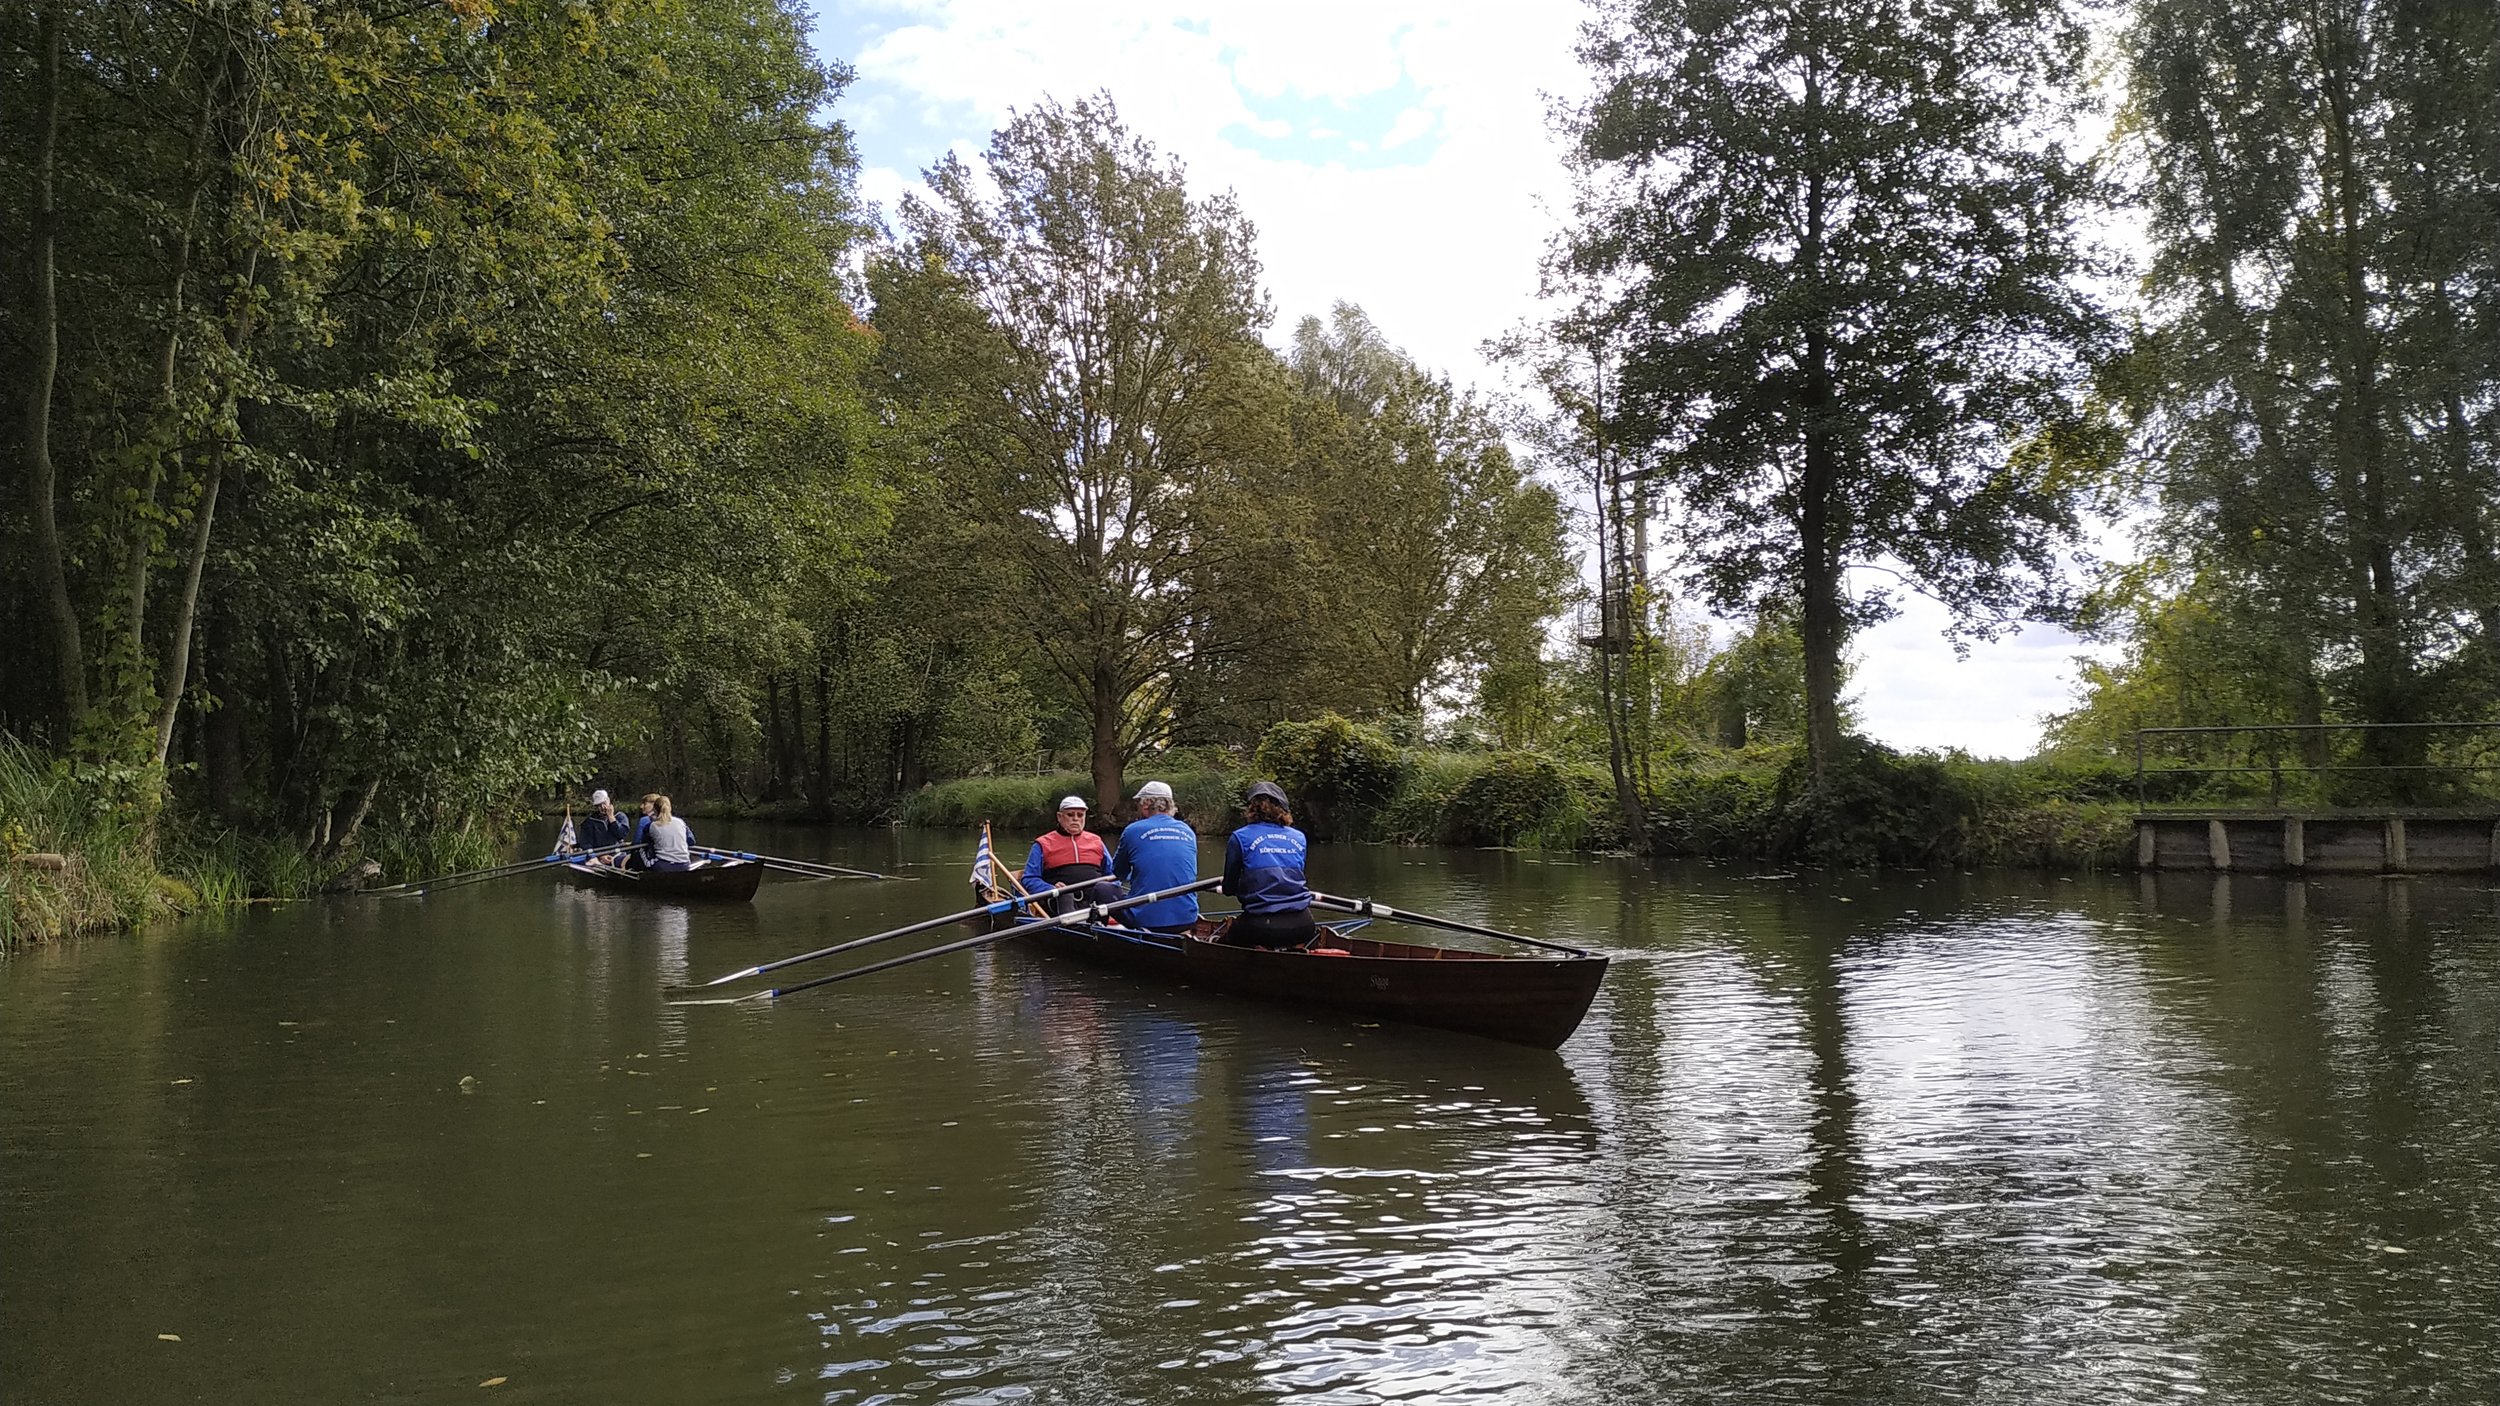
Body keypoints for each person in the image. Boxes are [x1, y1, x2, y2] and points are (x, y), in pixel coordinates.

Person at [1220, 781, 1315, 949]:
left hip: (1262, 926)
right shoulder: (1299, 837)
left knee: (1226, 942)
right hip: (1304, 924)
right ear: (1283, 809)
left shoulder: (1240, 837)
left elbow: (1229, 889)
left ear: (1251, 809)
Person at [1111, 780, 1201, 934]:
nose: (1138, 807)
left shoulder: (1133, 830)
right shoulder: (1188, 831)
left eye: (1139, 803)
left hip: (1148, 921)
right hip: (1187, 919)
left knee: (1103, 889)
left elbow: (1118, 873)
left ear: (1146, 804)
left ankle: (1102, 932)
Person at [1023, 795, 1112, 914]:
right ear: (1059, 817)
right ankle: (1074, 927)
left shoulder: (1096, 841)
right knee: (1065, 895)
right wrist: (1051, 888)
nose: (1075, 819)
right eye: (1070, 815)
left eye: (1080, 815)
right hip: (1060, 901)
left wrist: (1111, 887)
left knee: (1108, 889)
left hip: (1094, 900)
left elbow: (1113, 874)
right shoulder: (1043, 844)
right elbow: (1029, 879)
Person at [571, 789, 634, 863]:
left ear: (608, 800)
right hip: (598, 856)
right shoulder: (589, 822)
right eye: (599, 805)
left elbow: (621, 835)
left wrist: (612, 819)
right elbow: (586, 844)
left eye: (604, 803)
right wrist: (600, 856)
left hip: (618, 853)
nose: (602, 807)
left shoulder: (620, 816)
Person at [642, 794, 695, 871]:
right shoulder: (681, 822)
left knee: (641, 852)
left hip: (663, 866)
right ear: (670, 808)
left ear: (655, 810)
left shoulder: (651, 825)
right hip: (685, 865)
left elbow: (644, 843)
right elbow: (691, 841)